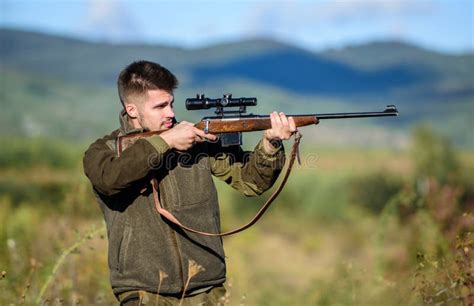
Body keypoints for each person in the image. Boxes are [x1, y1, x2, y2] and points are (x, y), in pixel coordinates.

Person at [83, 60, 296, 305]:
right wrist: (166, 142)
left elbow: (251, 182)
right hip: (145, 291)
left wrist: (271, 144)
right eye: (160, 106)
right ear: (132, 110)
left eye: (171, 103)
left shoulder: (197, 141)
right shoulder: (104, 151)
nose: (171, 113)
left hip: (206, 288)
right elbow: (109, 179)